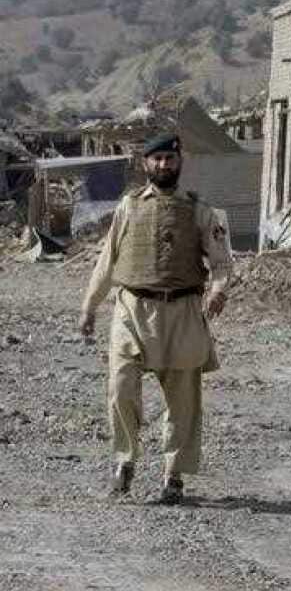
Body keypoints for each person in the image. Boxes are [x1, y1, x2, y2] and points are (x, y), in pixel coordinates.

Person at [78, 133, 232, 505]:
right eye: (158, 158)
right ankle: (124, 463)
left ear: (180, 163)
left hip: (181, 311)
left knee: (182, 400)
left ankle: (173, 476)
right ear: (145, 164)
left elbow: (222, 260)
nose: (164, 165)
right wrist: (89, 307)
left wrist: (218, 289)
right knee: (120, 387)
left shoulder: (201, 211)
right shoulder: (128, 207)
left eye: (170, 159)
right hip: (132, 308)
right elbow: (107, 261)